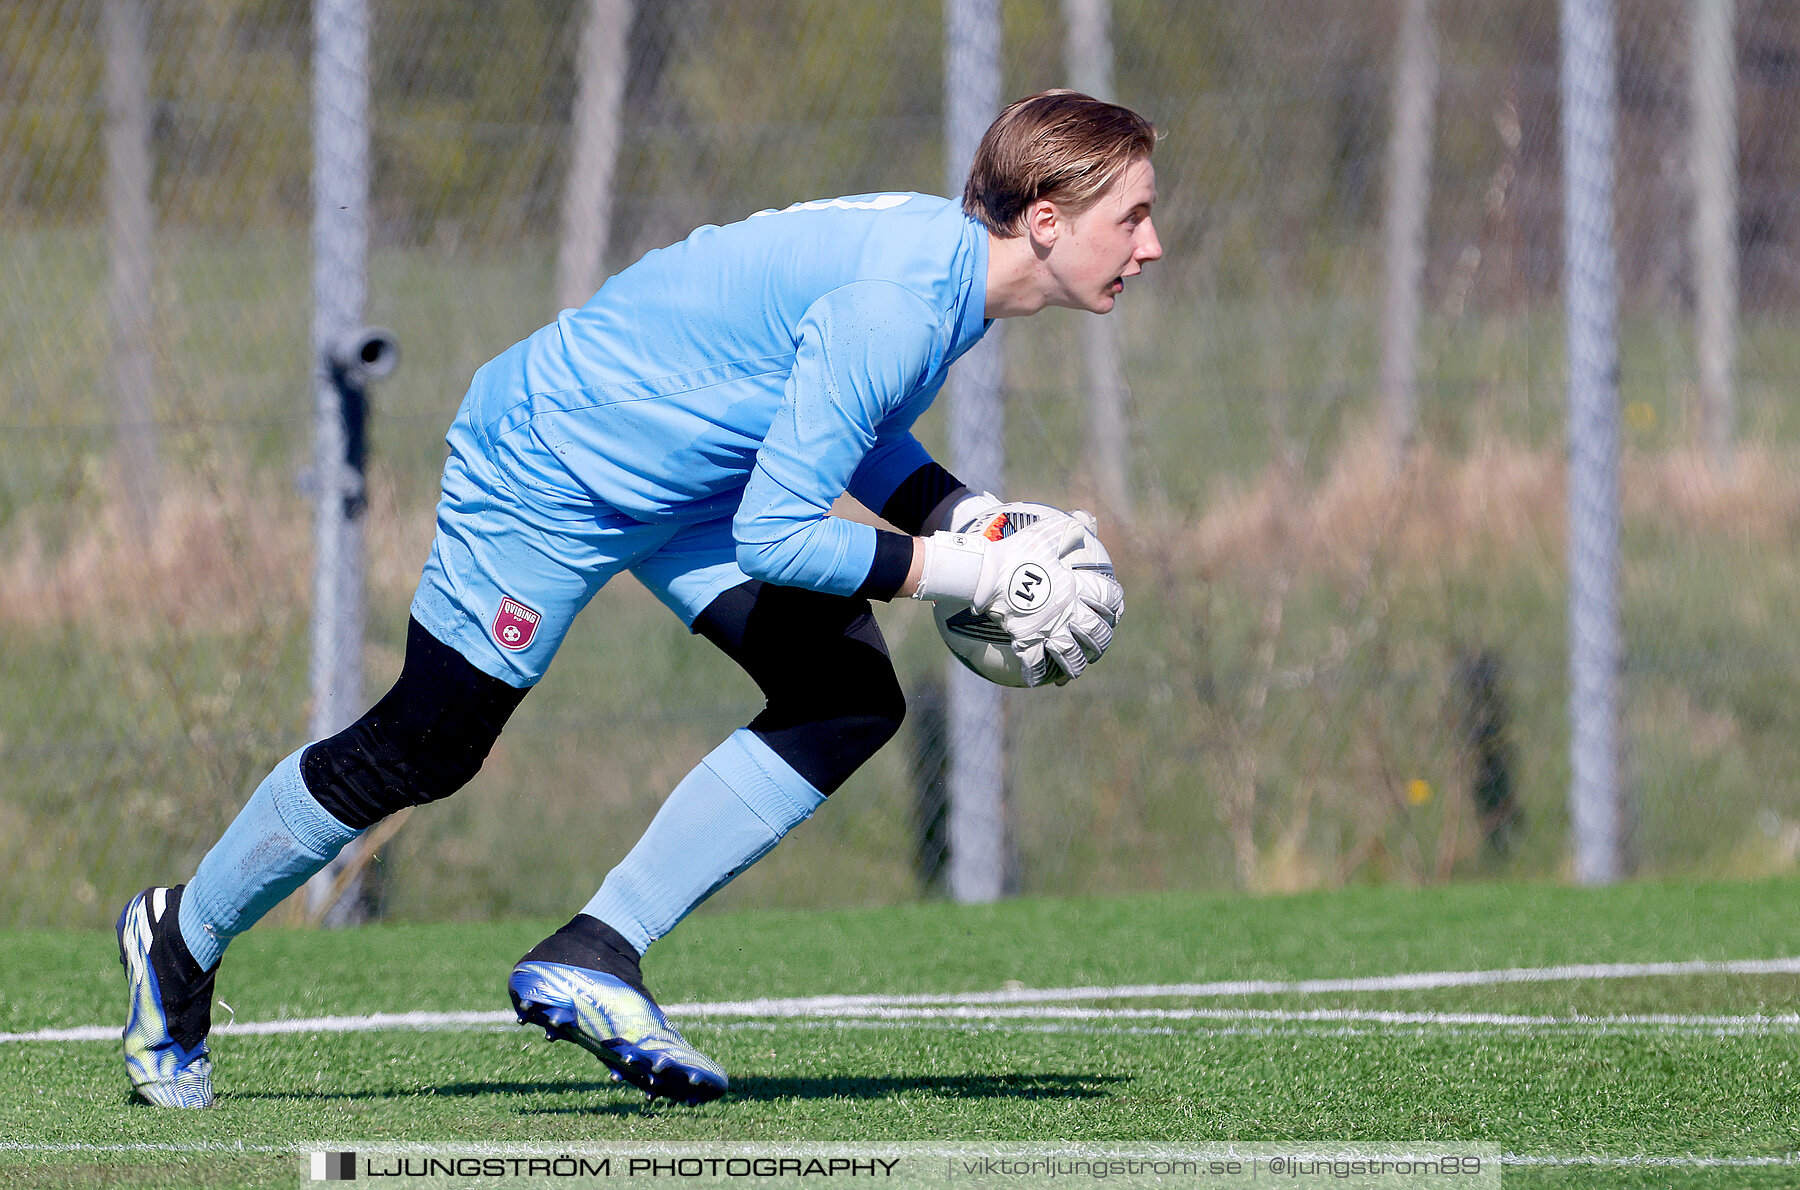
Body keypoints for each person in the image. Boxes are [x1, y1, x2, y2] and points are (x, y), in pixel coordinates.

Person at [115, 89, 1161, 1109]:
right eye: (1134, 217)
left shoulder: (946, 272)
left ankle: (597, 952)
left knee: (843, 693)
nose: (1149, 246)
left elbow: (854, 422)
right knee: (425, 744)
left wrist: (966, 512)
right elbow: (779, 535)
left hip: (696, 480)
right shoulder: (904, 301)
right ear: (1047, 219)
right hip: (553, 463)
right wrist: (971, 570)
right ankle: (181, 933)